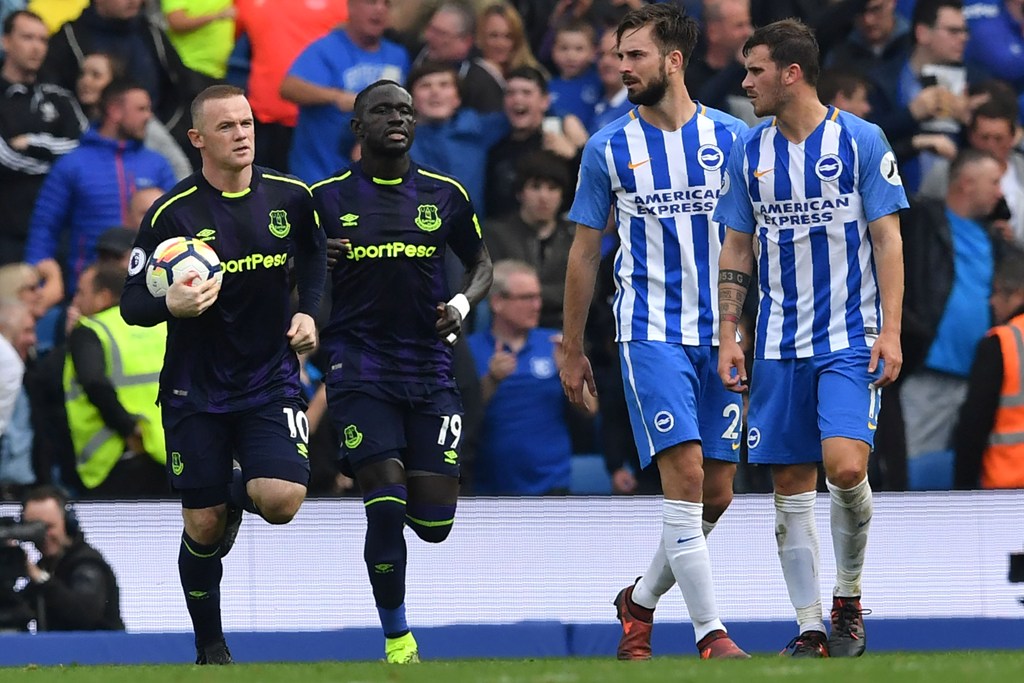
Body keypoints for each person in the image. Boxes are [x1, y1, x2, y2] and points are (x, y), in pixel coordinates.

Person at [561, 3, 749, 661]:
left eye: (634, 55)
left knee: (718, 493)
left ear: (674, 59)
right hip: (649, 330)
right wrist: (572, 344)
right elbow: (585, 251)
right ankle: (710, 635)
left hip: (722, 333)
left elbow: (753, 239)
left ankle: (638, 601)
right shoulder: (608, 145)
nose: (622, 67)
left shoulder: (733, 138)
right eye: (619, 56)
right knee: (689, 475)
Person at [714, 19, 908, 657]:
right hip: (774, 342)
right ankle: (810, 627)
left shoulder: (860, 140)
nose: (746, 84)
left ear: (791, 73)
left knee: (846, 466)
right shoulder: (749, 150)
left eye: (755, 71)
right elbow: (738, 244)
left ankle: (848, 595)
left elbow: (887, 238)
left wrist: (892, 331)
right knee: (789, 485)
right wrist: (729, 333)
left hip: (851, 336)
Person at [120, 84, 326, 664]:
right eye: (228, 126)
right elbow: (132, 302)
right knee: (204, 525)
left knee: (282, 499)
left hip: (270, 380)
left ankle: (232, 494)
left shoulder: (290, 196)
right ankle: (210, 646)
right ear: (197, 139)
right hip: (195, 387)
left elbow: (314, 258)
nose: (242, 134)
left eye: (247, 123)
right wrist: (170, 307)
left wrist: (310, 312)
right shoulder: (172, 213)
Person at [310, 80, 492, 663]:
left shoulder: (445, 195)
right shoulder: (324, 200)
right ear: (357, 126)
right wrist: (315, 264)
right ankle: (398, 638)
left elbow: (481, 263)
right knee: (384, 503)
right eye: (384, 109)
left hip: (430, 367)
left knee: (434, 523)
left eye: (406, 111)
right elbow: (290, 283)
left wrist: (462, 305)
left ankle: (394, 500)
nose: (398, 118)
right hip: (358, 367)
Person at [899, 148, 1007, 489]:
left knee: (968, 479)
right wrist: (917, 137)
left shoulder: (995, 239)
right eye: (993, 182)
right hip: (929, 375)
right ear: (966, 183)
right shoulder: (922, 221)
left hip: (979, 382)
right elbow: (877, 174)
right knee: (914, 475)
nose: (1000, 192)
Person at [24, 78, 177, 304]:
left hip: (148, 290)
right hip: (88, 293)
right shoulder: (73, 164)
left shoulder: (158, 165)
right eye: (141, 109)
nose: (148, 117)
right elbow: (44, 228)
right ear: (115, 111)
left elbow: (177, 224)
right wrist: (36, 282)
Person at [467, 260, 581, 494]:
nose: (537, 305)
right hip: (488, 486)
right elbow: (459, 415)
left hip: (552, 485)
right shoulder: (470, 350)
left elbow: (591, 410)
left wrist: (571, 376)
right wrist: (491, 380)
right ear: (497, 302)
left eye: (538, 297)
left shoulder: (556, 344)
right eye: (527, 298)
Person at [65, 262, 167, 498]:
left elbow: (94, 383)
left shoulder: (90, 330)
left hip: (118, 456)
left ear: (103, 296)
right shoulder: (160, 325)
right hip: (171, 453)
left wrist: (129, 429)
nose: (76, 301)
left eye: (81, 292)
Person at [279, 0, 410, 183]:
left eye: (386, 4)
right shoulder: (325, 49)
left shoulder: (398, 55)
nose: (379, 9)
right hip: (319, 173)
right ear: (350, 7)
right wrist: (336, 97)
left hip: (371, 176)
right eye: (371, 2)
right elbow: (289, 87)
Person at [0, 9, 87, 266]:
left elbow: (82, 148)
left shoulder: (60, 96)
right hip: (7, 227)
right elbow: (4, 157)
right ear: (6, 41)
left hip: (58, 227)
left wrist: (33, 142)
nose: (37, 47)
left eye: (42, 40)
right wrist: (54, 166)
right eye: (27, 38)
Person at [954, 246, 1024, 489]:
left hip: (1006, 494)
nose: (991, 302)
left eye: (995, 292)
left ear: (1016, 294)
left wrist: (962, 493)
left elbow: (973, 427)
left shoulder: (1001, 344)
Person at [18, 485, 124, 630]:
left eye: (49, 527)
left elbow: (85, 613)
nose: (43, 536)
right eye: (33, 528)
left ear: (68, 524)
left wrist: (41, 579)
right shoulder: (48, 566)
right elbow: (19, 610)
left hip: (99, 651)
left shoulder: (87, 563)